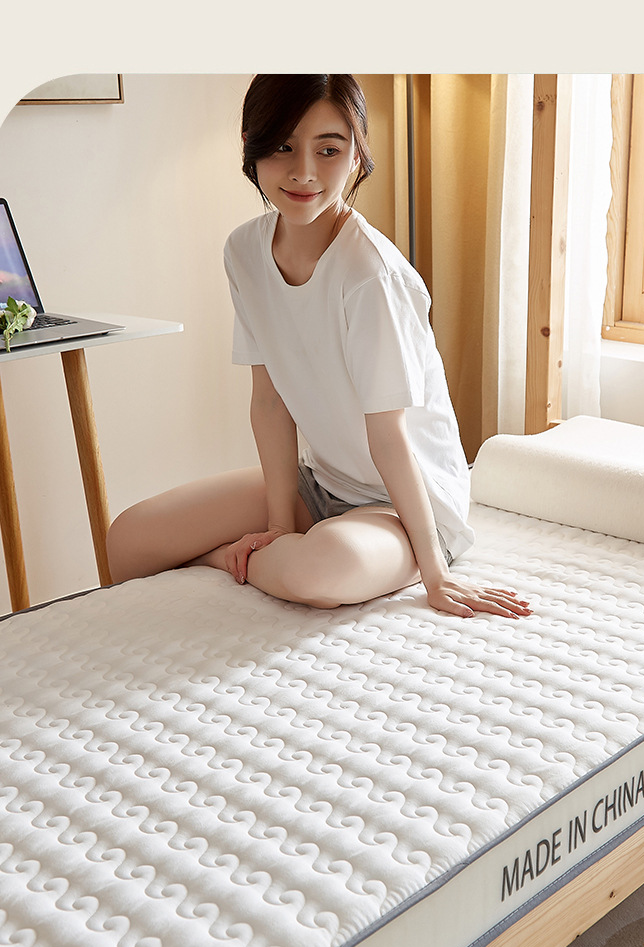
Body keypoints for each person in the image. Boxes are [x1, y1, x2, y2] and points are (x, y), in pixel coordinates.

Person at [106, 74, 531, 620]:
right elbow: (270, 401)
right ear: (250, 146)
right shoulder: (244, 250)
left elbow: (389, 434)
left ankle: (221, 560)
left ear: (356, 155)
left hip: (404, 506)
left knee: (323, 569)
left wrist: (436, 574)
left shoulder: (371, 275)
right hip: (321, 482)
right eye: (283, 147)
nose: (304, 172)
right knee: (131, 539)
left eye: (328, 150)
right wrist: (278, 527)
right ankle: (248, 557)